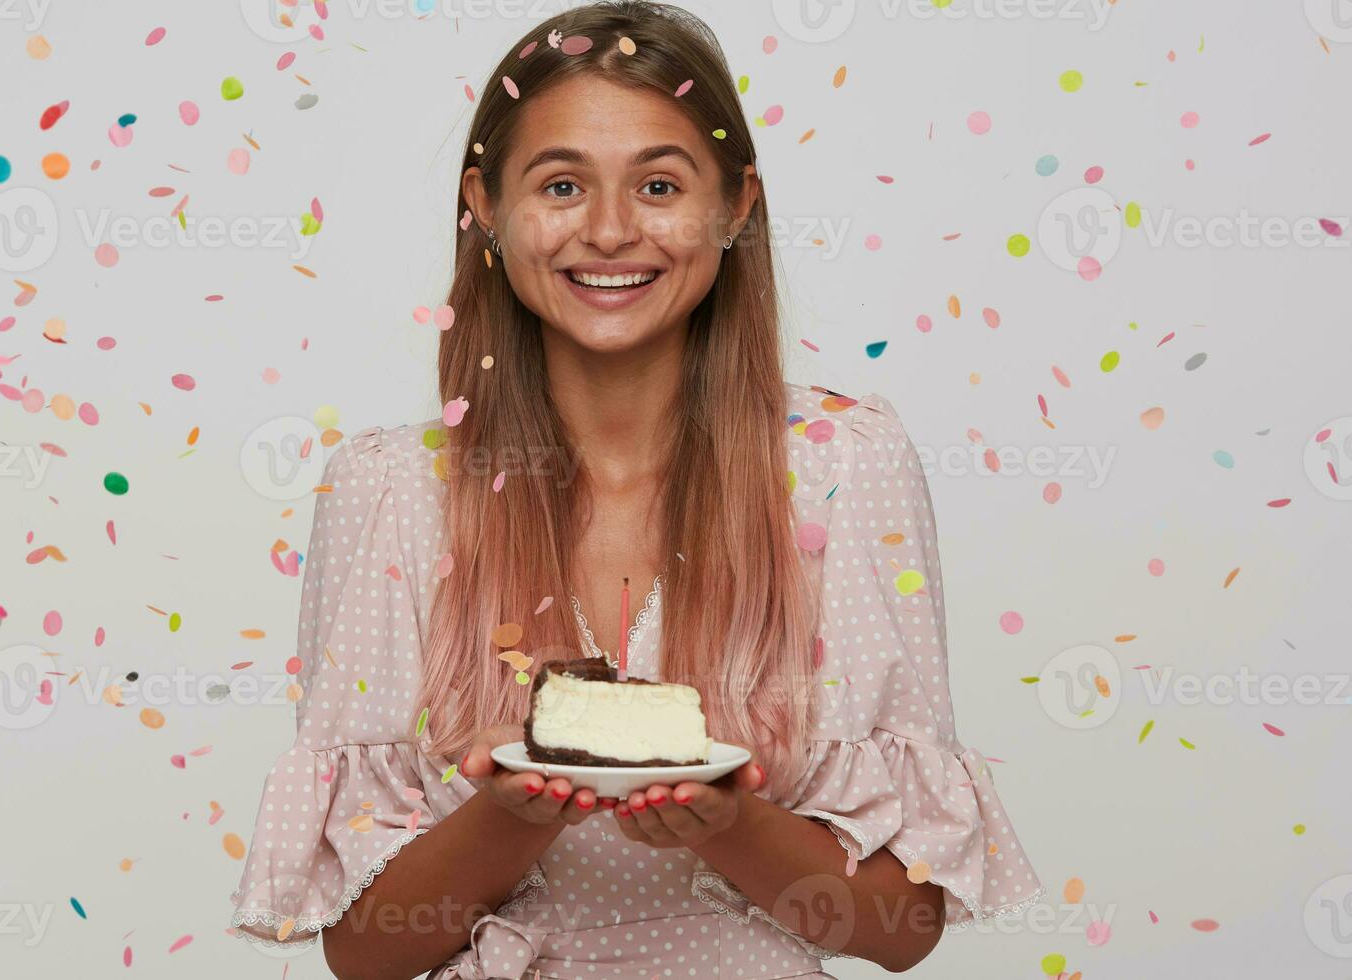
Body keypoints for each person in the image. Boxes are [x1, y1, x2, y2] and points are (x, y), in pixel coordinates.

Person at [229, 3, 1044, 977]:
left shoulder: (841, 465)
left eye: (659, 184)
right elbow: (364, 952)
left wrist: (726, 820)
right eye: (562, 183)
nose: (610, 230)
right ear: (486, 206)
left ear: (736, 205)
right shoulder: (393, 491)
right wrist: (509, 810)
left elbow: (901, 928)